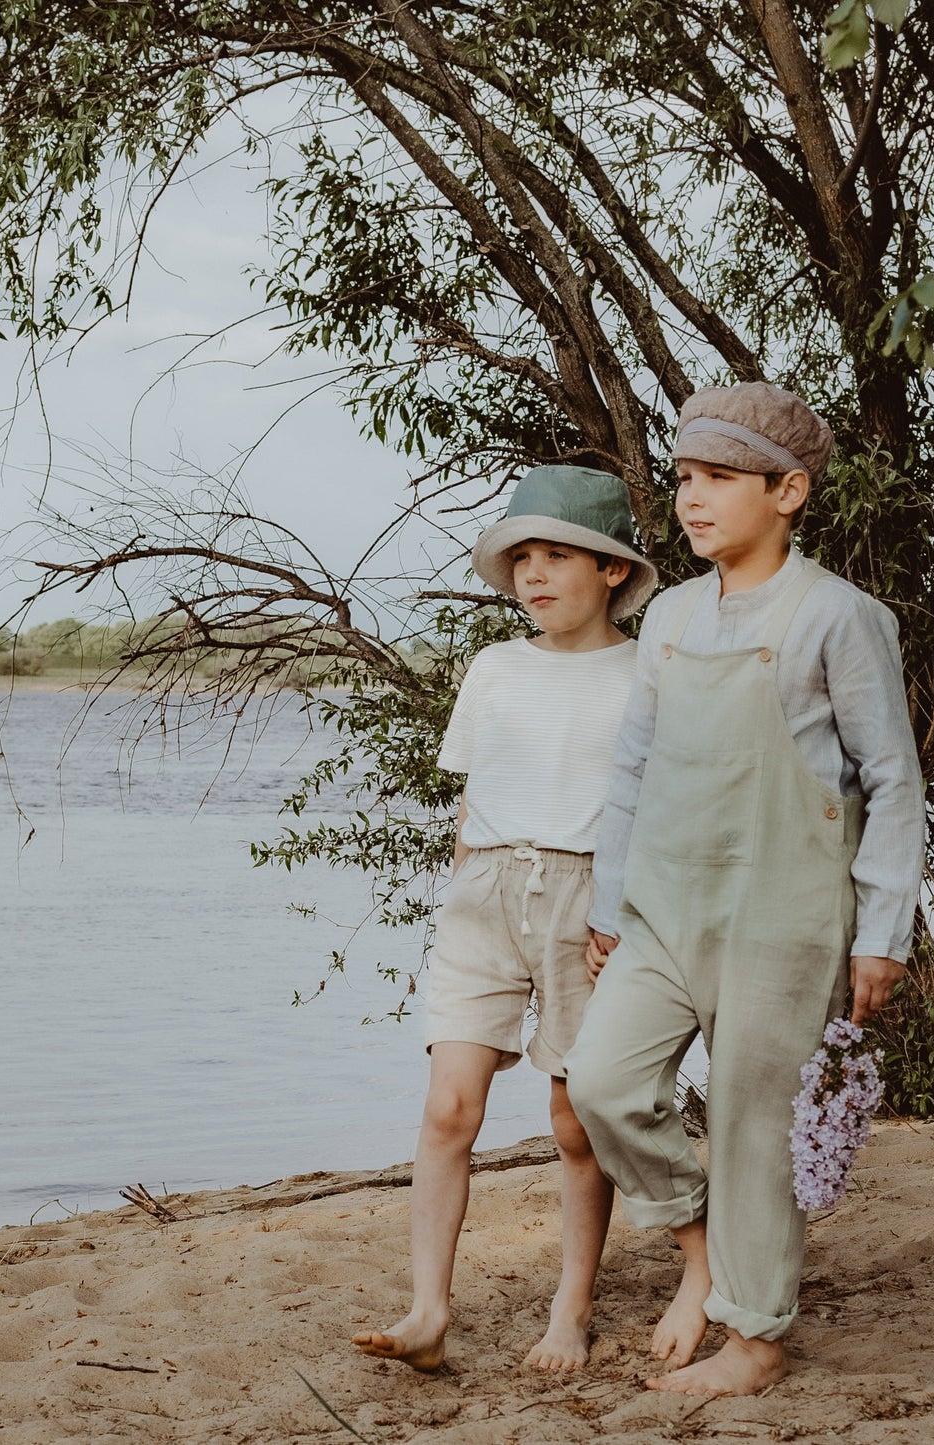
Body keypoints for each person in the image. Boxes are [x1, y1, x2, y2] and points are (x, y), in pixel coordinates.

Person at [564, 382, 925, 1396]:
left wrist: (880, 932)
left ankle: (755, 1336)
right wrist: (608, 903)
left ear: (788, 491)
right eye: (683, 478)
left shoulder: (838, 618)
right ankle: (703, 1249)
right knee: (601, 1080)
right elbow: (631, 771)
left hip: (785, 913)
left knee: (754, 1118)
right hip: (664, 911)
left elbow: (892, 783)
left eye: (718, 480)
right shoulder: (670, 617)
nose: (691, 499)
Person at [353, 465, 658, 1372]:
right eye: (520, 556)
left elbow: (658, 810)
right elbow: (471, 800)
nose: (532, 573)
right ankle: (426, 1310)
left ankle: (570, 1309)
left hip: (589, 902)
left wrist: (626, 920)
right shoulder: (492, 666)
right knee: (449, 1108)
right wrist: (457, 898)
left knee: (573, 1122)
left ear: (609, 570)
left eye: (556, 554)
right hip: (482, 893)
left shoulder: (646, 672)